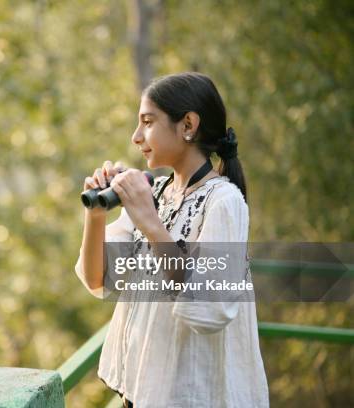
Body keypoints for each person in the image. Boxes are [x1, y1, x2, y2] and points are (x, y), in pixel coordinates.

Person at [75, 72, 270, 407]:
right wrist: (95, 213)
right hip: (143, 394)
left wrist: (150, 224)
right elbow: (98, 280)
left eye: (147, 122)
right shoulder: (156, 193)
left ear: (188, 125)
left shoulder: (224, 202)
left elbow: (209, 307)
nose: (136, 137)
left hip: (191, 397)